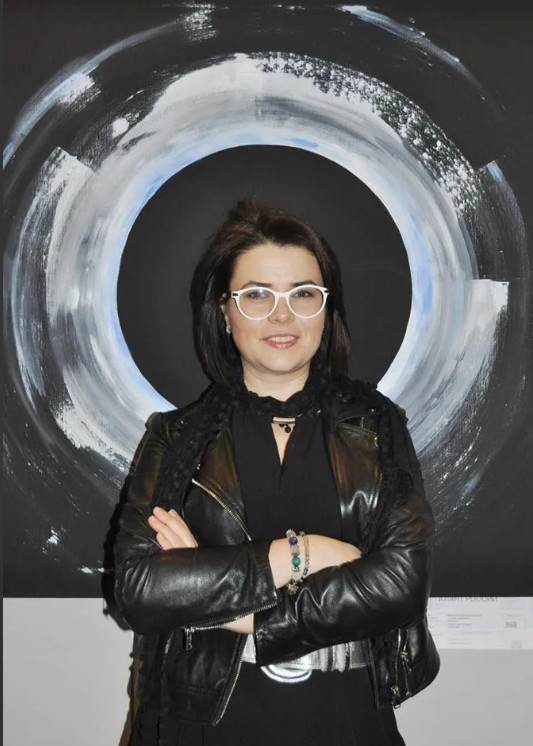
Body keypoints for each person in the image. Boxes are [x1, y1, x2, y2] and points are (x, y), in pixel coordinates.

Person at [113, 199, 440, 746]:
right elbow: (140, 589)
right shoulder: (176, 438)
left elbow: (401, 586)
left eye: (303, 294)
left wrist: (223, 606)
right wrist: (303, 553)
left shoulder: (377, 426)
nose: (282, 316)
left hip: (346, 718)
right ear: (225, 312)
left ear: (326, 311)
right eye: (257, 295)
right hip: (200, 724)